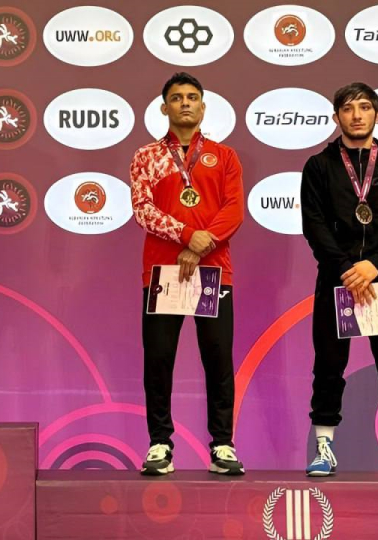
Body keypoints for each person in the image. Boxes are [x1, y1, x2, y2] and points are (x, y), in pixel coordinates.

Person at [301, 82, 378, 477]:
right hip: (336, 280)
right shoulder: (319, 166)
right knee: (328, 366)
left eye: (364, 107)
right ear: (336, 116)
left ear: (377, 114)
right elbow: (314, 226)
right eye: (348, 108)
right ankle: (324, 447)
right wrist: (347, 269)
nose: (356, 115)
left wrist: (374, 265)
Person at [130, 72, 245, 475]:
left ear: (203, 106)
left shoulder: (224, 156)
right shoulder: (146, 156)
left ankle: (223, 445)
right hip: (163, 273)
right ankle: (159, 443)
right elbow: (142, 209)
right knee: (159, 360)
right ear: (165, 107)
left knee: (218, 358)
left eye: (192, 97)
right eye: (177, 97)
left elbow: (233, 209)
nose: (185, 103)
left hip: (213, 272)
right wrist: (185, 235)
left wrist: (201, 244)